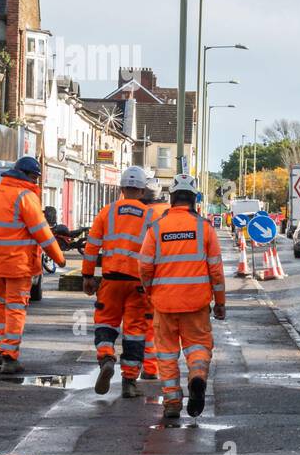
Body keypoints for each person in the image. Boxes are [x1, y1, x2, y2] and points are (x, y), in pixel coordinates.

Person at [138, 174, 226, 419]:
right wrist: (220, 303)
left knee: (166, 355)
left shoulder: (157, 228)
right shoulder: (204, 229)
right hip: (196, 304)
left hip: (164, 304)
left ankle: (172, 402)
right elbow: (216, 270)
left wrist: (149, 291)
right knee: (198, 348)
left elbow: (144, 266)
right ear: (194, 199)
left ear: (172, 198)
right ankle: (197, 378)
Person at [0, 156, 66, 376]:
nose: (36, 182)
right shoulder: (25, 197)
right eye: (35, 178)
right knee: (16, 308)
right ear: (29, 176)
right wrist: (59, 258)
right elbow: (43, 234)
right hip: (17, 265)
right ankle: (10, 357)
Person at [82, 166, 153, 397]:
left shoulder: (107, 212)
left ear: (121, 189)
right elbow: (157, 252)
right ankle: (129, 382)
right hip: (138, 284)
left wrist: (87, 276)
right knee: (135, 331)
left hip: (111, 280)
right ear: (142, 191)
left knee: (106, 322)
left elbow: (91, 246)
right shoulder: (151, 216)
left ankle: (106, 357)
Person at [138, 172, 170, 382]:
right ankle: (151, 368)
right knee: (154, 325)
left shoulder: (136, 212)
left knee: (135, 325)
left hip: (133, 273)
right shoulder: (167, 212)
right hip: (162, 276)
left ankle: (131, 366)